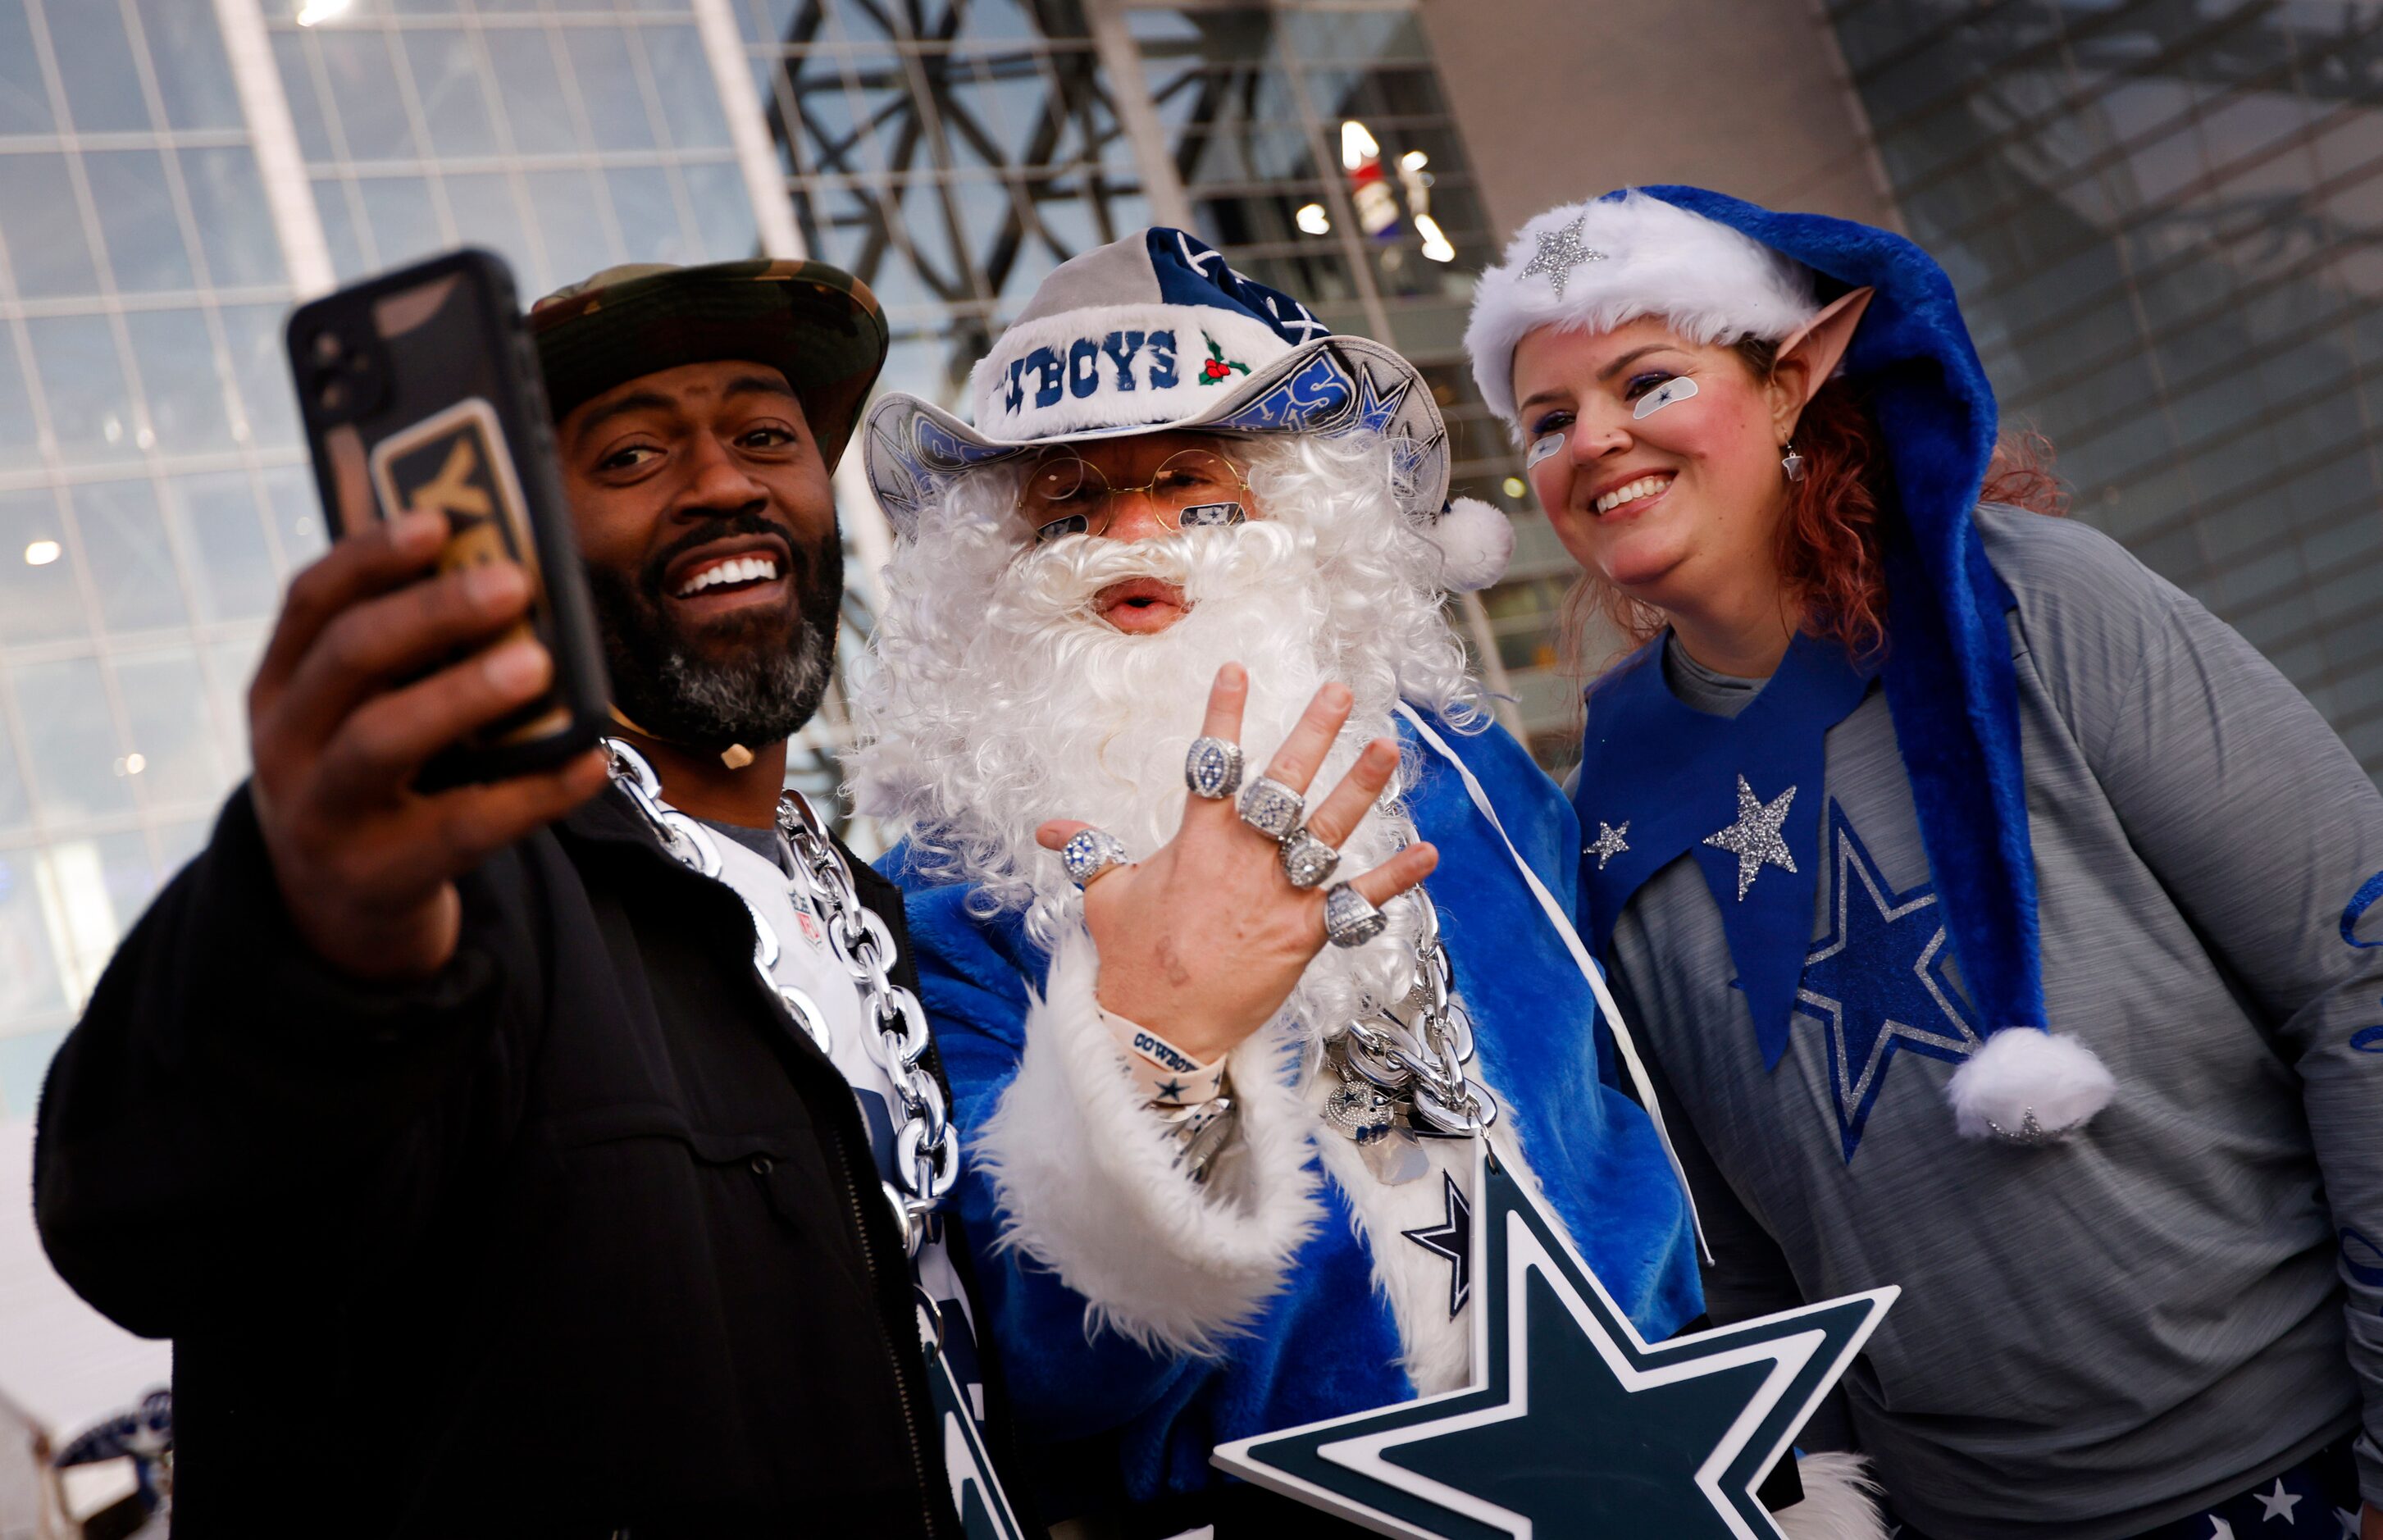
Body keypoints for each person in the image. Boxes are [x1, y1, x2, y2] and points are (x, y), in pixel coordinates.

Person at [849, 227, 1880, 1535]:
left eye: (1190, 484)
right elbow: (1037, 1365)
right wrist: (1158, 1046)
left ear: (1302, 516)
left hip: (1666, 1472)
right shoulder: (944, 892)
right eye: (1065, 504)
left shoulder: (1463, 774)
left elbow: (1642, 1105)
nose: (1126, 542)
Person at [34, 259, 1018, 1538]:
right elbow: (154, 1218)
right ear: (517, 545)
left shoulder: (883, 925)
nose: (723, 483)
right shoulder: (462, 903)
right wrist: (318, 926)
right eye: (629, 457)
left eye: (766, 437)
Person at [1463, 185, 2383, 1538]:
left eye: (1645, 379)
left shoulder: (2032, 602)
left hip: (2304, 1463)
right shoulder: (1600, 797)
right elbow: (1730, 1244)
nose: (1593, 439)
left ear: (1788, 388)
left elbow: (2351, 978)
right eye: (1546, 422)